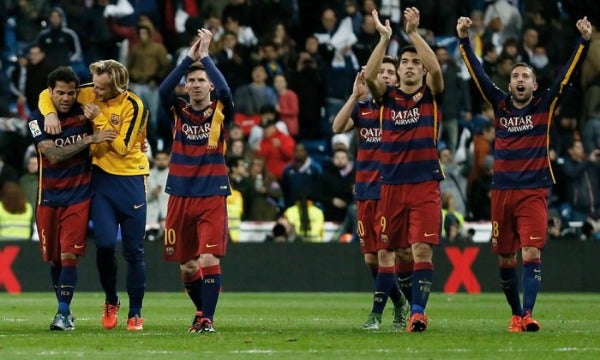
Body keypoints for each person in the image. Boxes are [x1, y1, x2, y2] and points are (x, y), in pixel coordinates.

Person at [457, 14, 592, 332]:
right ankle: (516, 313)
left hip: (534, 190)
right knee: (505, 259)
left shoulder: (544, 106)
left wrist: (583, 42)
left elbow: (565, 77)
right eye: (515, 75)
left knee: (531, 251)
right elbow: (478, 75)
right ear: (510, 83)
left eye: (525, 76)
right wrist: (464, 40)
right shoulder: (500, 104)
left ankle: (528, 313)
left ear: (534, 84)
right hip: (502, 190)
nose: (519, 79)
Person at [38, 59, 150, 331]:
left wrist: (97, 119)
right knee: (104, 245)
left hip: (131, 179)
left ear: (117, 86)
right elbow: (46, 92)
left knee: (134, 251)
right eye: (94, 85)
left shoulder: (134, 105)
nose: (94, 92)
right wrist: (49, 114)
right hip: (100, 179)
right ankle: (111, 300)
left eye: (101, 88)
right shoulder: (89, 91)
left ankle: (135, 312)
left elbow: (122, 148)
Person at [361, 8, 444, 332]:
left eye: (415, 63)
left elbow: (436, 69)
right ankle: (412, 305)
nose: (410, 67)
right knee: (399, 254)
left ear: (422, 70)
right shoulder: (388, 98)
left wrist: (412, 33)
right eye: (405, 63)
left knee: (421, 248)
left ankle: (419, 312)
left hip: (424, 184)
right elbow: (369, 77)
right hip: (391, 185)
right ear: (397, 71)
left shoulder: (431, 96)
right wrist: (384, 38)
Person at [28, 66, 116, 330]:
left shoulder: (84, 114)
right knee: (55, 259)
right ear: (50, 93)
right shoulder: (36, 119)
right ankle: (64, 312)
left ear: (76, 92)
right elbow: (52, 155)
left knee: (69, 255)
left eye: (70, 93)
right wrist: (90, 139)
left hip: (78, 197)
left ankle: (63, 312)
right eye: (60, 93)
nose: (66, 98)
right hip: (48, 198)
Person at [158, 28, 234, 333]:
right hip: (180, 193)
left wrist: (206, 57)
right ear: (186, 86)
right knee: (188, 266)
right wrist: (187, 58)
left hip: (211, 193)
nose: (196, 84)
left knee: (207, 257)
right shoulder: (178, 111)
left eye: (201, 80)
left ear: (210, 85)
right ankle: (201, 310)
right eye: (191, 80)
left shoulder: (221, 110)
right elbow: (164, 91)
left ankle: (207, 320)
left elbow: (227, 91)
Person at [332, 57, 410, 330]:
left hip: (390, 192)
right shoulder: (362, 110)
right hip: (365, 190)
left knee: (386, 255)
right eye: (382, 71)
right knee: (370, 259)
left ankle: (376, 315)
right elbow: (337, 127)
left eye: (391, 72)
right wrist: (355, 95)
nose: (386, 75)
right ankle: (400, 302)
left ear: (398, 79)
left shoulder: (400, 111)